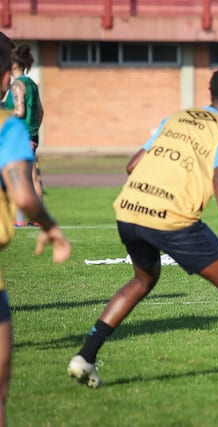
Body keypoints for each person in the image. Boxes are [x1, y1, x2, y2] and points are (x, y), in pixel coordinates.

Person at [67, 67, 218, 397]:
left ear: (211, 93)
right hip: (171, 218)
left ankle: (85, 357)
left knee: (143, 280)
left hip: (129, 209)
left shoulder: (176, 118)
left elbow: (133, 165)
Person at [0, 41, 71, 427]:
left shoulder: (16, 93)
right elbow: (35, 113)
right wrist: (51, 227)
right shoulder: (9, 119)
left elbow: (27, 108)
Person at [3, 44, 44, 227]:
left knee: (21, 177)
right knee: (32, 178)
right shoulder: (32, 84)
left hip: (21, 135)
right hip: (31, 134)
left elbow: (19, 111)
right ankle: (34, 217)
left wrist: (4, 114)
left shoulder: (17, 85)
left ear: (13, 66)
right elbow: (41, 111)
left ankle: (21, 219)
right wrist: (34, 131)